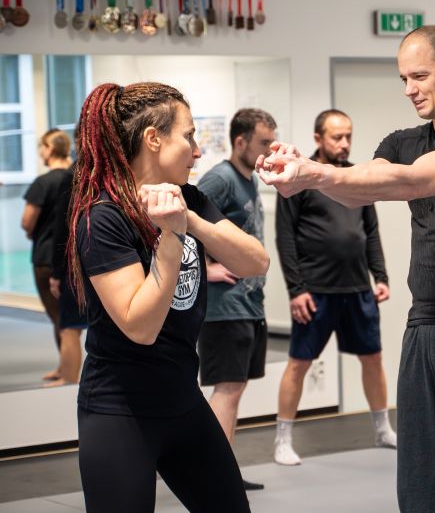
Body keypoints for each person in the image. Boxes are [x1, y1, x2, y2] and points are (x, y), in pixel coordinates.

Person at [259, 26, 435, 513]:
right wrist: (305, 175)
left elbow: (416, 180)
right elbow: (361, 186)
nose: (409, 88)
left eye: (419, 76)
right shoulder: (402, 140)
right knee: (419, 485)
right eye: (403, 78)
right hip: (424, 325)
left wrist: (317, 173)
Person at [67, 82, 268, 512]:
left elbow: (256, 261)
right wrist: (172, 236)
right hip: (120, 412)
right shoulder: (103, 217)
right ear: (153, 139)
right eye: (188, 136)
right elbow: (140, 326)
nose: (197, 151)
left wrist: (189, 220)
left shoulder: (188, 198)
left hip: (183, 402)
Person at [272, 109, 395, 466]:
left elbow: (371, 231)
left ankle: (382, 429)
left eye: (348, 136)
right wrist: (296, 289)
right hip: (315, 291)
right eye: (336, 137)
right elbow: (284, 237)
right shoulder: (299, 178)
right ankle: (282, 440)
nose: (344, 143)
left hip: (357, 287)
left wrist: (380, 276)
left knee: (373, 359)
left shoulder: (358, 176)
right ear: (318, 138)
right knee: (299, 363)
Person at [197, 108, 275, 491]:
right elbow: (179, 225)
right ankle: (214, 477)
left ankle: (222, 471)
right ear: (240, 141)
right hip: (223, 308)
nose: (269, 150)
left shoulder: (249, 179)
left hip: (248, 305)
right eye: (264, 142)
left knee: (235, 388)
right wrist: (206, 268)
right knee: (227, 389)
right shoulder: (220, 179)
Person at [21, 129, 72, 382]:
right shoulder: (76, 177)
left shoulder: (42, 183)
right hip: (71, 256)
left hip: (46, 257)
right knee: (65, 317)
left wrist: (32, 232)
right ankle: (64, 367)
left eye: (41, 147)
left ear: (49, 149)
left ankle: (67, 372)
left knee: (60, 317)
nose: (40, 152)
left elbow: (27, 221)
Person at [46, 159, 87, 387]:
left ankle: (69, 381)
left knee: (70, 327)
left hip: (74, 264)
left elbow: (62, 228)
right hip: (93, 257)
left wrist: (56, 271)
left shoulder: (75, 175)